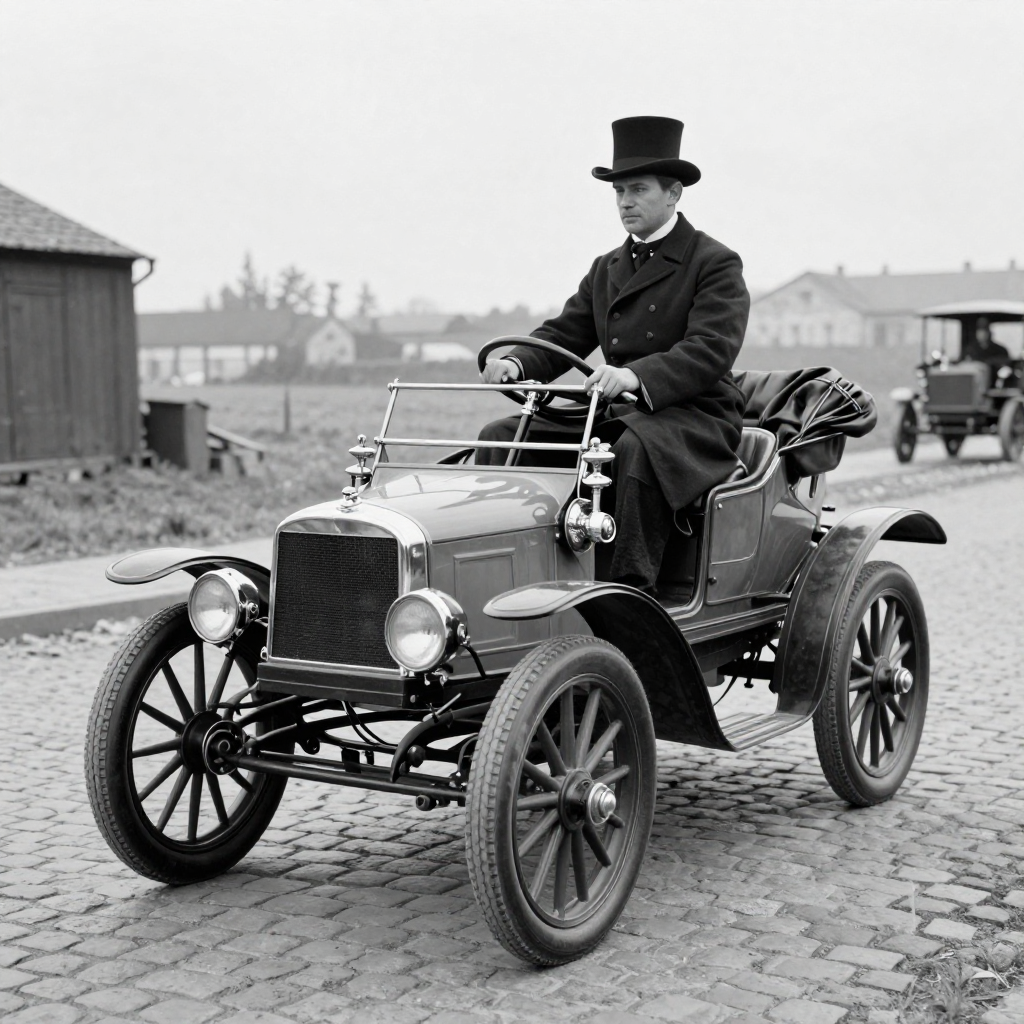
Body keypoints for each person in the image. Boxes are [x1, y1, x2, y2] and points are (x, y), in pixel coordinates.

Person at [477, 116, 750, 595]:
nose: (625, 202)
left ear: (674, 193)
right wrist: (517, 363)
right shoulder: (607, 267)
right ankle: (505, 574)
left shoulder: (714, 262)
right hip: (618, 413)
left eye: (638, 189)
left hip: (694, 417)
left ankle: (630, 593)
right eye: (619, 191)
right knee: (502, 436)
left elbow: (711, 349)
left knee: (633, 449)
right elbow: (566, 332)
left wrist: (635, 376)